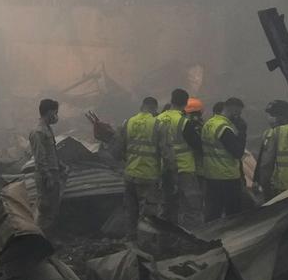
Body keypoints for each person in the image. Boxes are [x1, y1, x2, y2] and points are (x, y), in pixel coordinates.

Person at [93, 95, 161, 229]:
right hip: (148, 175)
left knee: (131, 209)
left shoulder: (128, 122)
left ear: (141, 107)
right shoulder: (158, 124)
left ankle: (131, 238)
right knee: (149, 211)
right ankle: (145, 241)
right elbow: (166, 152)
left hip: (130, 175)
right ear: (154, 109)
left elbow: (117, 151)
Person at [156, 89, 201, 224]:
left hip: (164, 169)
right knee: (191, 206)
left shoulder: (158, 119)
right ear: (186, 103)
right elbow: (197, 144)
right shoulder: (183, 122)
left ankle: (166, 239)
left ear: (171, 100)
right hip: (184, 169)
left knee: (167, 205)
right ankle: (189, 239)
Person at [200, 97, 248, 221]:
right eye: (238, 113)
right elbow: (237, 152)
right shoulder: (224, 128)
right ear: (232, 110)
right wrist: (242, 132)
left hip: (210, 175)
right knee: (233, 214)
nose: (239, 116)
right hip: (228, 177)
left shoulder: (209, 123)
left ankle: (209, 238)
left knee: (212, 213)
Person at [29, 98, 67, 222]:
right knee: (45, 208)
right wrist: (48, 176)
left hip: (53, 173)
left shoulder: (47, 129)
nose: (56, 116)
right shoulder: (38, 132)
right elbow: (40, 157)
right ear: (49, 112)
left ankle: (49, 235)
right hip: (46, 176)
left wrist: (60, 165)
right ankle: (40, 235)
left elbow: (51, 153)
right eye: (55, 113)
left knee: (53, 208)